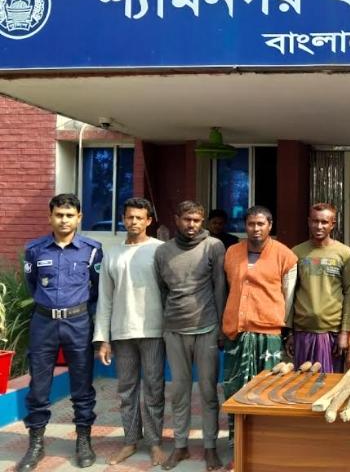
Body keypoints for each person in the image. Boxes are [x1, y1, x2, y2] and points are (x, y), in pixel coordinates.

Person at [18, 193, 103, 471]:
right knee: (39, 386)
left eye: (69, 215)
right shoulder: (35, 249)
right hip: (43, 322)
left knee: (82, 384)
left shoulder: (92, 250)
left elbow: (97, 289)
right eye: (59, 215)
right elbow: (32, 284)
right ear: (50, 217)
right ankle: (36, 444)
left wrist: (82, 314)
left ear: (79, 217)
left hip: (78, 322)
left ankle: (83, 440)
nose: (64, 220)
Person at [92, 197, 166, 466]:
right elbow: (105, 298)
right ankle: (130, 441)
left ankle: (155, 443)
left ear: (149, 221)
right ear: (123, 219)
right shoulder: (111, 253)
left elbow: (169, 293)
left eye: (139, 218)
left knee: (154, 389)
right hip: (122, 332)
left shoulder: (160, 250)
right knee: (126, 390)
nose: (134, 222)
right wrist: (103, 339)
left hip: (154, 331)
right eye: (129, 217)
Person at [154, 201, 226, 471]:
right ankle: (180, 445)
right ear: (177, 219)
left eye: (196, 220)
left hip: (206, 328)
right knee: (179, 392)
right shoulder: (163, 251)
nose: (192, 225)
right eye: (187, 219)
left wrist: (220, 327)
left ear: (202, 221)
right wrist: (166, 324)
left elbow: (220, 287)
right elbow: (162, 290)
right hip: (174, 330)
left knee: (208, 392)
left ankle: (210, 447)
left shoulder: (214, 246)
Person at [222, 206, 297, 443]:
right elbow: (229, 288)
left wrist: (284, 329)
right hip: (237, 333)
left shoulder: (285, 255)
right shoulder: (232, 252)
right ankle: (238, 446)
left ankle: (266, 446)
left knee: (267, 391)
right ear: (245, 226)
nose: (255, 229)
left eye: (261, 224)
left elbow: (289, 296)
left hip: (268, 335)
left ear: (270, 226)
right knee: (235, 391)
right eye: (251, 224)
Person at [287, 203, 350, 373]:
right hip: (302, 331)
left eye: (324, 222)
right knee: (301, 383)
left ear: (333, 224)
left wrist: (345, 332)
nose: (319, 226)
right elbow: (290, 294)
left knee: (329, 384)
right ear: (308, 222)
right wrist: (290, 333)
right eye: (315, 221)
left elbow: (349, 293)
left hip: (332, 333)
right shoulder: (296, 252)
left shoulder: (344, 253)